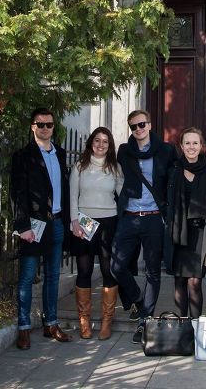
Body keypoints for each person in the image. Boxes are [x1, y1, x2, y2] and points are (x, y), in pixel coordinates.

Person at [110, 109, 177, 343]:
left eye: (141, 125)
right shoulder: (124, 151)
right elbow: (112, 175)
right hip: (129, 216)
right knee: (116, 266)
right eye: (133, 127)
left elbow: (175, 179)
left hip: (153, 217)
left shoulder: (167, 151)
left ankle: (145, 320)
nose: (138, 130)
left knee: (152, 271)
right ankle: (138, 300)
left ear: (149, 125)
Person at [11, 107, 72, 350]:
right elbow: (17, 193)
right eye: (41, 124)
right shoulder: (23, 156)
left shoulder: (60, 154)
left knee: (53, 276)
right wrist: (22, 226)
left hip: (56, 223)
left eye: (49, 124)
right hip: (33, 226)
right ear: (33, 126)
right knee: (26, 277)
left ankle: (51, 323)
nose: (45, 128)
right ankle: (24, 327)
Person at [70, 127, 123, 340]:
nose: (101, 145)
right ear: (91, 142)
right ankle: (84, 321)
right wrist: (74, 221)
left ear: (110, 146)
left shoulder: (115, 168)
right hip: (84, 222)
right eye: (97, 140)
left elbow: (123, 195)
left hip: (109, 222)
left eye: (105, 142)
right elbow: (73, 196)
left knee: (108, 269)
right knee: (84, 271)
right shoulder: (79, 167)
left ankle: (106, 322)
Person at [166, 127, 206, 318]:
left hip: (200, 232)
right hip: (178, 230)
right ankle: (181, 325)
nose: (191, 147)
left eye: (195, 143)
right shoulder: (173, 170)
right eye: (187, 143)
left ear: (202, 146)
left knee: (195, 282)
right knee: (179, 280)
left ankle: (195, 326)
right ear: (181, 146)